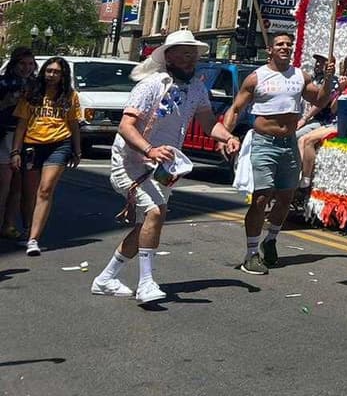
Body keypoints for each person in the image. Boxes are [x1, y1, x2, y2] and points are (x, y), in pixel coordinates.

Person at [94, 29, 239, 303]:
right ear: (169, 57)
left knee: (149, 222)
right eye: (184, 54)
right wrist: (149, 149)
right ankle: (146, 283)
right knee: (155, 211)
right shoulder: (151, 85)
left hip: (163, 166)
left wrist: (229, 137)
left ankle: (106, 278)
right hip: (131, 160)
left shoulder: (197, 87)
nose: (189, 59)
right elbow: (126, 126)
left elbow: (209, 124)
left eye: (192, 54)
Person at [222, 32, 340, 275]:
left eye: (289, 44)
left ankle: (271, 239)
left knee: (286, 198)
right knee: (262, 199)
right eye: (280, 44)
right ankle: (251, 254)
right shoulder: (257, 78)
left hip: (289, 144)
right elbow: (235, 108)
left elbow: (321, 98)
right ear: (270, 50)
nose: (285, 47)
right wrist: (225, 136)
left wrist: (328, 79)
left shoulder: (299, 76)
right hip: (264, 143)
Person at [10, 56, 82, 256]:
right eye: (49, 71)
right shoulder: (31, 93)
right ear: (44, 72)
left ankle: (34, 239)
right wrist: (15, 151)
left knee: (45, 190)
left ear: (63, 75)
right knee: (30, 192)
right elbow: (21, 125)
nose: (52, 75)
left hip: (59, 144)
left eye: (57, 72)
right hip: (32, 145)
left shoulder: (70, 96)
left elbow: (74, 124)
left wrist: (77, 150)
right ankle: (27, 229)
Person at [297, 54, 347, 194]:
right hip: (336, 122)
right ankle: (299, 172)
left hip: (341, 124)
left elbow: (335, 108)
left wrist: (341, 89)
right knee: (301, 139)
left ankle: (305, 178)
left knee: (308, 140)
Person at [0, 46, 35, 240]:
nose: (26, 68)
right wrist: (7, 101)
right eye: (22, 63)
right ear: (14, 63)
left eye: (30, 64)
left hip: (28, 137)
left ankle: (9, 224)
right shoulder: (4, 83)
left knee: (18, 186)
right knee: (4, 183)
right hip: (6, 134)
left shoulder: (35, 85)